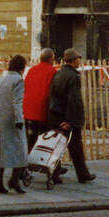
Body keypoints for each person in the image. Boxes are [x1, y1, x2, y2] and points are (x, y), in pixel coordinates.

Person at [46, 48, 95, 183]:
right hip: (67, 118)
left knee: (56, 146)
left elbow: (53, 96)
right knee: (76, 148)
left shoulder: (58, 74)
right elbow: (74, 101)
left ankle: (54, 175)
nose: (80, 61)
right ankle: (83, 174)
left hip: (55, 116)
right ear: (74, 61)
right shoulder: (73, 76)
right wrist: (71, 120)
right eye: (78, 58)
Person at [0, 55, 29, 194]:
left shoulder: (2, 78)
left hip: (0, 118)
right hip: (12, 120)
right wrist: (19, 119)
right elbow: (17, 102)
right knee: (20, 150)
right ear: (22, 67)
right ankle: (14, 180)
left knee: (0, 150)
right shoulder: (18, 80)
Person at [22, 49, 57, 151]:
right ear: (51, 59)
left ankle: (24, 164)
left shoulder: (32, 70)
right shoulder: (52, 72)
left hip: (28, 111)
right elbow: (53, 93)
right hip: (42, 112)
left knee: (29, 141)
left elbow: (26, 87)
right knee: (44, 143)